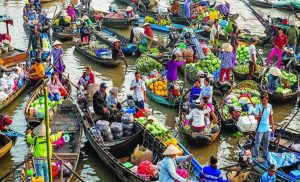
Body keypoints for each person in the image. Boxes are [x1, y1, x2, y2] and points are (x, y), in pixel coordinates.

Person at [254, 94, 274, 161]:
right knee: (257, 142)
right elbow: (255, 117)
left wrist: (273, 126)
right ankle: (255, 156)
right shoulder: (258, 107)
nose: (263, 102)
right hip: (260, 127)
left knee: (267, 141)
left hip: (267, 127)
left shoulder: (270, 106)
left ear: (267, 100)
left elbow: (271, 117)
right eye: (262, 100)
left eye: (265, 100)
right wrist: (259, 116)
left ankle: (265, 154)